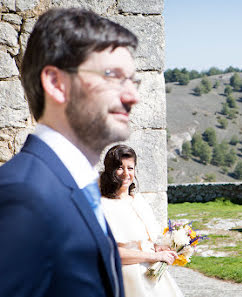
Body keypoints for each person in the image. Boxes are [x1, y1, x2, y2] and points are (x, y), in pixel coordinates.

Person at [0, 8, 140, 297]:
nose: (132, 96)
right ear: (56, 83)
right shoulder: (23, 195)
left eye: (132, 80)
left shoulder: (79, 184)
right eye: (112, 76)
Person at [100, 144, 184, 297]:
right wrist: (155, 257)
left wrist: (157, 248)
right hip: (128, 280)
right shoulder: (104, 205)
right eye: (119, 167)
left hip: (153, 278)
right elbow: (111, 253)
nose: (126, 173)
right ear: (110, 171)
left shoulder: (138, 200)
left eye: (130, 168)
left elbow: (143, 242)